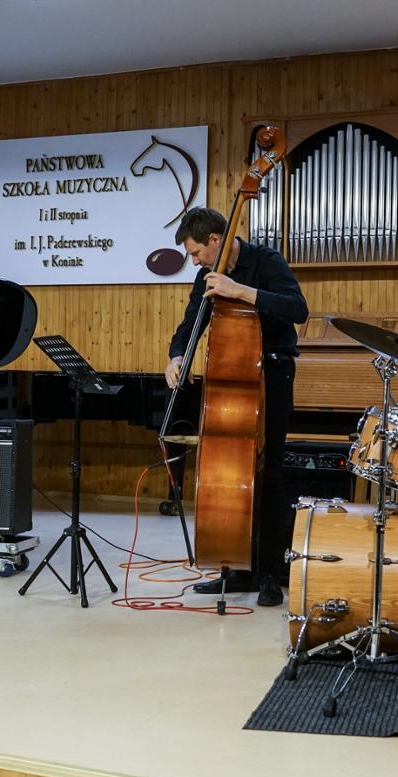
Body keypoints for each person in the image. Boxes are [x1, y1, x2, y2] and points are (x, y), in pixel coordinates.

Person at [164, 206, 309, 608]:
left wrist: (240, 291)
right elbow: (190, 322)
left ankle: (270, 572)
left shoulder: (267, 261)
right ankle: (236, 567)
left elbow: (298, 309)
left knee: (270, 474)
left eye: (197, 253)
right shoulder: (205, 277)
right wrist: (177, 357)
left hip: (274, 374)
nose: (195, 262)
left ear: (216, 239)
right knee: (234, 475)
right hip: (234, 381)